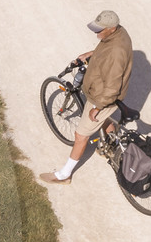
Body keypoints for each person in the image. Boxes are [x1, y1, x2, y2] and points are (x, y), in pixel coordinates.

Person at [40, 9, 133, 185]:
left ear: (112, 28)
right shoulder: (117, 34)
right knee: (102, 122)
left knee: (81, 136)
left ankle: (64, 175)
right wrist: (90, 54)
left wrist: (98, 107)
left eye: (99, 30)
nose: (96, 32)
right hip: (101, 91)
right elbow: (106, 47)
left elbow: (112, 87)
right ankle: (110, 145)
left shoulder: (116, 51)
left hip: (102, 97)